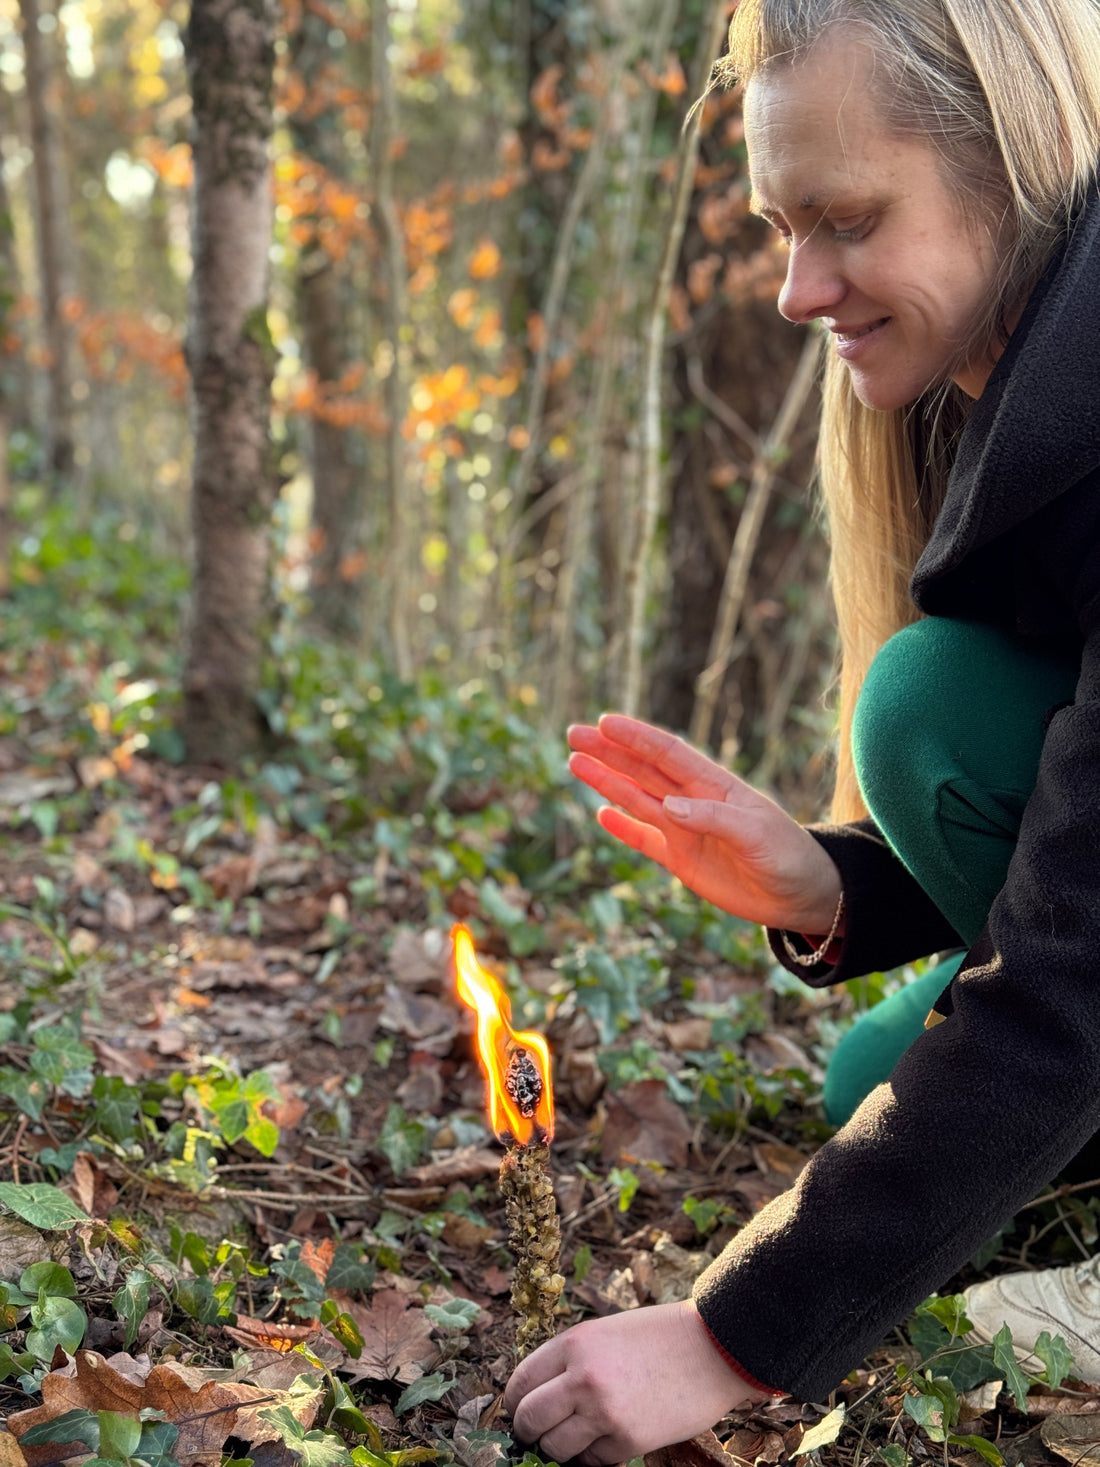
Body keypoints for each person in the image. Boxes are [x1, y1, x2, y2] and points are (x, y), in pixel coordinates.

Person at [501, 0, 1100, 1461]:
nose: (793, 288)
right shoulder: (1019, 384)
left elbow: (1080, 972)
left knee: (919, 709)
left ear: (1012, 165)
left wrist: (733, 1334)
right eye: (781, 225)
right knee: (862, 1080)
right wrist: (833, 889)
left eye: (845, 220)